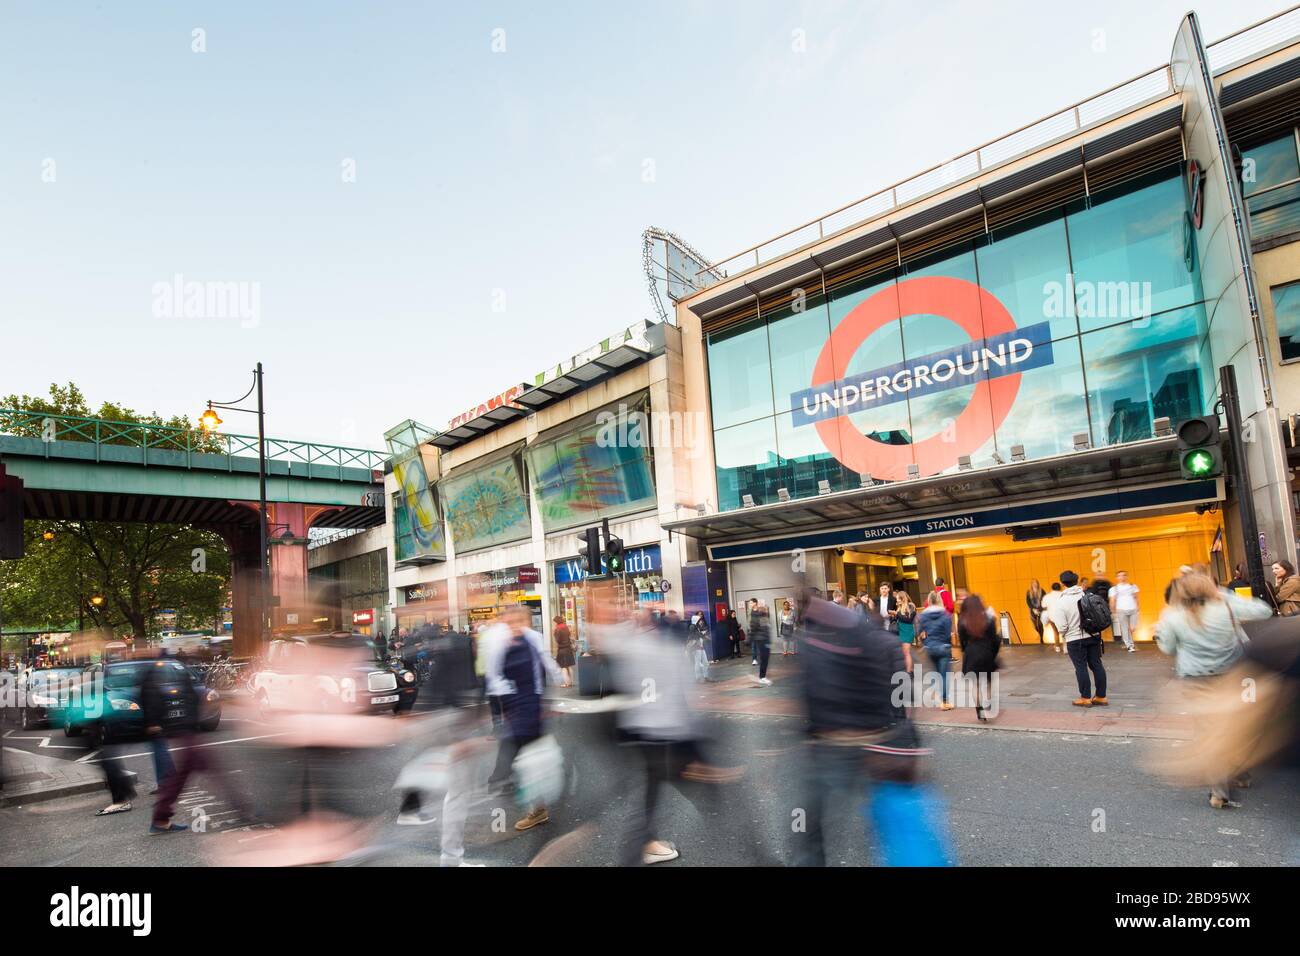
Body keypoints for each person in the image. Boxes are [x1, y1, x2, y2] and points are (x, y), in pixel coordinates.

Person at [792, 591, 953, 867]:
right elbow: (896, 686)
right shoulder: (864, 636)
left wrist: (809, 735)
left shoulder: (813, 641)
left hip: (834, 741)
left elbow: (811, 693)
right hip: (878, 738)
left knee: (812, 820)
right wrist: (899, 725)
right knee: (891, 811)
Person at [1155, 570, 1271, 808]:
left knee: (1209, 734)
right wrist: (1225, 594)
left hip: (1195, 680)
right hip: (1233, 676)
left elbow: (1167, 648)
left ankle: (1219, 792)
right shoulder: (1225, 607)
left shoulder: (1172, 615)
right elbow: (1264, 610)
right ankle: (1241, 773)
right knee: (1237, 726)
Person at [483, 604, 565, 831]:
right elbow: (493, 676)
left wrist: (556, 693)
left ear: (527, 621)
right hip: (514, 702)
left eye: (518, 621)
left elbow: (548, 663)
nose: (514, 626)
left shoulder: (534, 639)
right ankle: (513, 787)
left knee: (529, 752)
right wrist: (505, 703)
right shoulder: (499, 644)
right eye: (509, 622)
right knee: (517, 747)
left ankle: (533, 803)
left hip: (533, 701)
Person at [1048, 570, 1107, 707]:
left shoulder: (1061, 603)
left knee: (1081, 667)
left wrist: (1067, 633)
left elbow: (1062, 627)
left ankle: (1085, 698)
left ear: (1063, 584)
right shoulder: (1087, 594)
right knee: (1097, 665)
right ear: (1077, 581)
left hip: (1075, 640)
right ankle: (1101, 696)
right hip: (1093, 635)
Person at [957, 594, 1000, 722]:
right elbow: (994, 639)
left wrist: (965, 650)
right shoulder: (988, 618)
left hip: (971, 653)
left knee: (974, 684)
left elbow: (962, 640)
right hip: (986, 652)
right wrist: (993, 654)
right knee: (989, 680)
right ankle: (989, 702)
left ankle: (979, 710)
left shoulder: (962, 620)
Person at [916, 592, 955, 710]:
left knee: (935, 674)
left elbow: (919, 633)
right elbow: (948, 633)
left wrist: (926, 643)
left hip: (930, 648)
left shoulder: (923, 615)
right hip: (943, 647)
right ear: (939, 600)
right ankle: (944, 701)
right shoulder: (946, 615)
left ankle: (936, 694)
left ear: (929, 601)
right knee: (944, 675)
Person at [1108, 571, 1140, 653]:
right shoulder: (1114, 589)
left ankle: (1130, 643)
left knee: (1132, 628)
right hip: (1121, 610)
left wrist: (1138, 607)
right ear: (1117, 578)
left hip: (1133, 609)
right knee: (1125, 628)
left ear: (1127, 576)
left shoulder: (1133, 586)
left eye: (1123, 575)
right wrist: (1113, 611)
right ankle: (1129, 645)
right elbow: (1112, 600)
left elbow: (1137, 597)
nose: (1122, 577)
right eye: (1119, 576)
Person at [749, 601, 773, 685]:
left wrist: (769, 642)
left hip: (765, 641)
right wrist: (750, 640)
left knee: (765, 659)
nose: (766, 610)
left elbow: (767, 631)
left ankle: (762, 676)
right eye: (765, 609)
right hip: (761, 641)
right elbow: (753, 630)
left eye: (766, 609)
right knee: (764, 659)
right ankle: (762, 677)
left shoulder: (765, 618)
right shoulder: (757, 619)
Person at [894, 591, 916, 674]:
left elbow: (908, 619)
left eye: (898, 599)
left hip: (907, 631)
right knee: (904, 653)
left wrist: (896, 614)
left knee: (906, 653)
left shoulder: (911, 606)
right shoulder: (900, 607)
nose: (897, 601)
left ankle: (909, 672)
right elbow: (899, 619)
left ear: (902, 599)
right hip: (901, 630)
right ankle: (909, 670)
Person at [552, 615, 576, 688]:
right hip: (568, 649)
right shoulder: (565, 627)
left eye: (554, 622)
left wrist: (554, 633)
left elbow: (558, 640)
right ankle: (571, 682)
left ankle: (567, 683)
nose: (553, 624)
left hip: (562, 649)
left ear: (556, 622)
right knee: (569, 666)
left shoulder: (557, 629)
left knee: (563, 667)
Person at [1041, 582, 1063, 651]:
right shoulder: (1063, 595)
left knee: (1055, 631)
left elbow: (1043, 606)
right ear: (1060, 587)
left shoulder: (1047, 596)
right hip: (1062, 616)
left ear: (1052, 588)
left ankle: (1057, 647)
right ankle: (1066, 648)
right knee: (1065, 632)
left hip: (1052, 617)